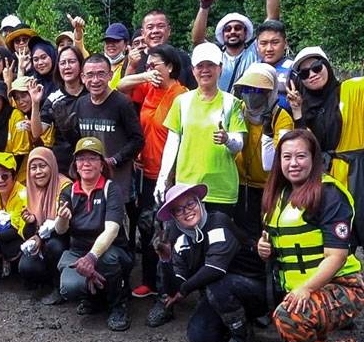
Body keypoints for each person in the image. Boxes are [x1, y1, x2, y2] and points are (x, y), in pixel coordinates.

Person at [258, 129, 364, 342]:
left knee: (289, 317)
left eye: (301, 156)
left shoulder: (329, 194)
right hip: (302, 291)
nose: (293, 163)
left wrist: (306, 289)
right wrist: (265, 248)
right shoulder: (279, 195)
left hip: (343, 286)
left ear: (314, 158)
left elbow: (337, 256)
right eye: (287, 157)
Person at [145, 183, 267, 342]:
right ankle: (237, 322)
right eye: (178, 210)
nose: (186, 211)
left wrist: (184, 289)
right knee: (200, 336)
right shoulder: (180, 240)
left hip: (255, 287)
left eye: (190, 204)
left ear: (200, 202)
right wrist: (165, 258)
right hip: (220, 294)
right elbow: (175, 288)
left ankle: (244, 341)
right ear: (173, 217)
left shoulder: (218, 222)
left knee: (217, 284)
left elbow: (215, 269)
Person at [116, 44, 187, 297]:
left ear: (170, 66)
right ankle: (149, 281)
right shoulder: (148, 88)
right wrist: (144, 73)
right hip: (146, 171)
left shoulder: (182, 95)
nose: (151, 69)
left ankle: (172, 284)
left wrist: (171, 175)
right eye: (149, 65)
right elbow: (121, 85)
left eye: (155, 64)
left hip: (171, 174)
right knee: (147, 225)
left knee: (169, 230)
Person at [156, 42, 246, 215]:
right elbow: (172, 143)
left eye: (211, 65)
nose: (205, 70)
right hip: (186, 188)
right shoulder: (182, 102)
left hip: (221, 190)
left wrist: (227, 139)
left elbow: (239, 144)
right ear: (192, 70)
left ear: (220, 68)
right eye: (200, 66)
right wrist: (163, 178)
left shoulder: (231, 103)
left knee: (219, 240)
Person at [54, 137, 133, 332]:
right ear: (75, 165)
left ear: (101, 164)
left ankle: (118, 305)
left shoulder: (111, 189)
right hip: (79, 251)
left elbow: (112, 230)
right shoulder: (68, 191)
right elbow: (60, 230)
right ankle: (93, 298)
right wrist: (62, 218)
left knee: (109, 258)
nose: (86, 163)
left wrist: (91, 257)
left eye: (92, 158)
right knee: (69, 288)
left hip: (111, 251)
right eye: (81, 159)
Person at [287, 46, 364, 244]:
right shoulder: (307, 108)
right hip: (329, 178)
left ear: (327, 66)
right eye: (304, 73)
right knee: (338, 239)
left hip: (357, 172)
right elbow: (305, 144)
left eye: (317, 67)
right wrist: (297, 111)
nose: (312, 74)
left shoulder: (351, 89)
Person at [72, 54, 144, 206]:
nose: (95, 80)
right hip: (91, 178)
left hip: (118, 178)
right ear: (83, 77)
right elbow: (79, 139)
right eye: (90, 75)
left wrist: (115, 159)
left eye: (101, 74)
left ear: (110, 75)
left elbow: (137, 139)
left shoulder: (122, 103)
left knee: (120, 223)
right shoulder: (81, 103)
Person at [231, 63, 293, 240]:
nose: (251, 95)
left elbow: (270, 163)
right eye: (246, 89)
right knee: (244, 235)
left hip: (269, 187)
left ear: (269, 92)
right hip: (241, 185)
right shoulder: (239, 110)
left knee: (267, 234)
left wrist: (267, 132)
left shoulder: (281, 118)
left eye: (258, 90)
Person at [17, 147, 71, 301]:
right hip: (41, 241)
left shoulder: (65, 187)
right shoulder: (30, 190)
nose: (38, 172)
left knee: (54, 245)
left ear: (52, 165)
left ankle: (59, 285)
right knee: (26, 267)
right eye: (33, 168)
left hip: (63, 240)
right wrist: (31, 223)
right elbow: (29, 235)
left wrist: (40, 236)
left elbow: (64, 230)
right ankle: (46, 280)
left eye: (43, 166)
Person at [32, 45, 86, 176]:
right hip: (63, 165)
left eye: (72, 62)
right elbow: (36, 132)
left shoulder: (92, 93)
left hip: (90, 161)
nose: (67, 67)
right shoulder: (54, 98)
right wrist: (35, 103)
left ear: (81, 65)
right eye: (62, 63)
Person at [0, 152, 30, 279]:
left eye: (5, 176)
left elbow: (19, 230)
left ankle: (13, 262)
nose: (0, 181)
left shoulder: (23, 195)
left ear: (13, 176)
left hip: (19, 236)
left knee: (9, 247)